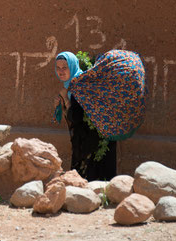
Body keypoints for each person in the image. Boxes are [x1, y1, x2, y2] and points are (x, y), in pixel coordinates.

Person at [54, 50, 146, 181]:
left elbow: (76, 118)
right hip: (102, 139)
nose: (61, 71)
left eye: (65, 67)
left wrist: (66, 100)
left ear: (73, 66)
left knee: (90, 181)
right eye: (58, 68)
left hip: (92, 146)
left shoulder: (79, 86)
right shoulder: (84, 83)